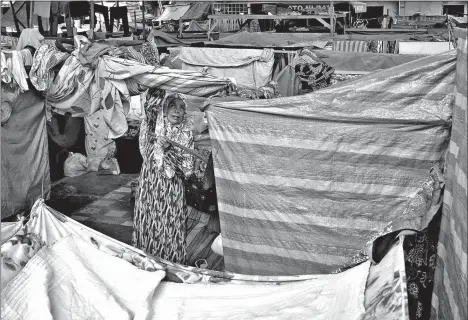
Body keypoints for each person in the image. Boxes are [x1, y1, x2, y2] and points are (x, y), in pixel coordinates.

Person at [132, 90, 195, 264]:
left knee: (171, 226)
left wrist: (169, 151)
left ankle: (172, 265)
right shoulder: (152, 129)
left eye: (181, 108)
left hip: (171, 192)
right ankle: (146, 263)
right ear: (164, 110)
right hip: (150, 188)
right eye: (172, 106)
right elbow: (144, 150)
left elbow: (187, 170)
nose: (177, 111)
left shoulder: (186, 135)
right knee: (148, 224)